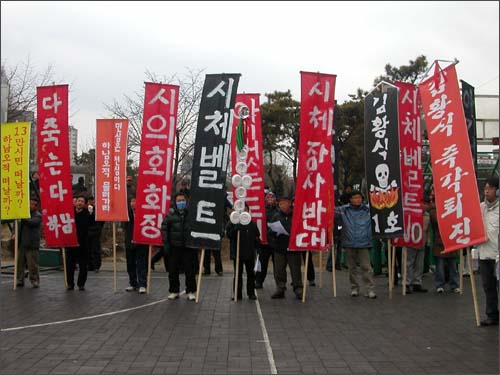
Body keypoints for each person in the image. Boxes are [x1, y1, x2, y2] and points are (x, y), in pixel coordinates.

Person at [335, 190, 376, 298]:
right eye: (355, 198)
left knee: (366, 267)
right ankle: (354, 288)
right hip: (349, 242)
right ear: (350, 199)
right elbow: (330, 212)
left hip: (364, 242)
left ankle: (369, 289)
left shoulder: (368, 210)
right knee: (352, 268)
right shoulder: (344, 210)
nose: (357, 200)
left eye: (359, 197)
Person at [161, 192, 197, 301]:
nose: (181, 202)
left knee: (189, 271)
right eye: (179, 201)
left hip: (187, 247)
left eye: (183, 200)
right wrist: (166, 243)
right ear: (175, 202)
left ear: (186, 202)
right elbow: (164, 229)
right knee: (173, 270)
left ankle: (190, 291)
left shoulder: (191, 214)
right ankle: (174, 291)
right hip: (174, 247)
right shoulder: (170, 214)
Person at [268, 196, 303, 299]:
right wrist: (274, 232)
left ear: (290, 204)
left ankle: (298, 289)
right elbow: (269, 231)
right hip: (279, 247)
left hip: (293, 248)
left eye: (285, 203)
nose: (282, 205)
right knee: (279, 270)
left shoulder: (296, 215)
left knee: (295, 270)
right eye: (280, 203)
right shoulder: (276, 216)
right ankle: (280, 288)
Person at [476, 177, 499, 326]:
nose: (486, 191)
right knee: (488, 286)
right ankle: (492, 315)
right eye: (485, 188)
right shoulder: (480, 207)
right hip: (484, 254)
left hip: (498, 255)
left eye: (490, 188)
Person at [226, 205, 260, 300]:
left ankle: (251, 293)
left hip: (249, 253)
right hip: (237, 254)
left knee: (250, 274)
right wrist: (236, 228)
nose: (243, 212)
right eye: (242, 210)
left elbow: (257, 235)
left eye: (246, 210)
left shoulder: (252, 224)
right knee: (237, 274)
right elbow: (228, 235)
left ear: (248, 211)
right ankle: (237, 293)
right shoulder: (232, 222)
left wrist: (257, 247)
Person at [429, 197, 460, 294]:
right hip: (439, 243)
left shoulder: (453, 210)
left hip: (451, 241)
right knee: (440, 267)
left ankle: (454, 284)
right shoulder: (434, 213)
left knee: (453, 266)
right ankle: (440, 285)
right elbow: (435, 222)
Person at [404, 197, 432, 293]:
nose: (425, 206)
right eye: (424, 203)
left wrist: (428, 241)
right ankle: (407, 283)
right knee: (409, 263)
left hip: (422, 241)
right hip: (412, 241)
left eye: (427, 204)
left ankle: (417, 282)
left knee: (419, 264)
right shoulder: (412, 213)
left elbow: (427, 230)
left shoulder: (427, 215)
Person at [65, 195, 91, 291]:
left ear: (84, 204)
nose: (79, 203)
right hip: (71, 243)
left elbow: (93, 227)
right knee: (70, 265)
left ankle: (81, 284)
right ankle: (70, 284)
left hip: (83, 244)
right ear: (75, 202)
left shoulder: (88, 214)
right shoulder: (70, 213)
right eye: (78, 201)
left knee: (83, 265)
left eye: (82, 201)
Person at [16, 198, 42, 288]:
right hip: (22, 243)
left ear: (35, 206)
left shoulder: (38, 215)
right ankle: (20, 279)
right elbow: (18, 226)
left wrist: (22, 216)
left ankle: (34, 280)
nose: (28, 206)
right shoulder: (23, 215)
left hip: (31, 244)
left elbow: (31, 222)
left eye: (31, 204)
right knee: (19, 263)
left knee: (32, 264)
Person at [124, 197, 147, 294]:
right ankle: (133, 283)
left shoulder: (144, 213)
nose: (133, 203)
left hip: (141, 242)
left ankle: (142, 284)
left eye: (135, 201)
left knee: (141, 263)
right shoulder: (126, 214)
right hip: (129, 242)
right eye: (131, 201)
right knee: (130, 264)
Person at [255, 192, 278, 289]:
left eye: (272, 197)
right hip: (264, 242)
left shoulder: (278, 211)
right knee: (262, 263)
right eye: (268, 197)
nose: (270, 199)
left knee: (278, 266)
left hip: (276, 242)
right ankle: (259, 281)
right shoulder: (262, 211)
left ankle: (279, 284)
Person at [87, 196, 104, 272]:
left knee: (95, 249)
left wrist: (99, 228)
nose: (91, 203)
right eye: (89, 201)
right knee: (88, 249)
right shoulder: (85, 210)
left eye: (92, 201)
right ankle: (89, 265)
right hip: (87, 232)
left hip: (96, 232)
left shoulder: (97, 210)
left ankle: (96, 265)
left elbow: (101, 220)